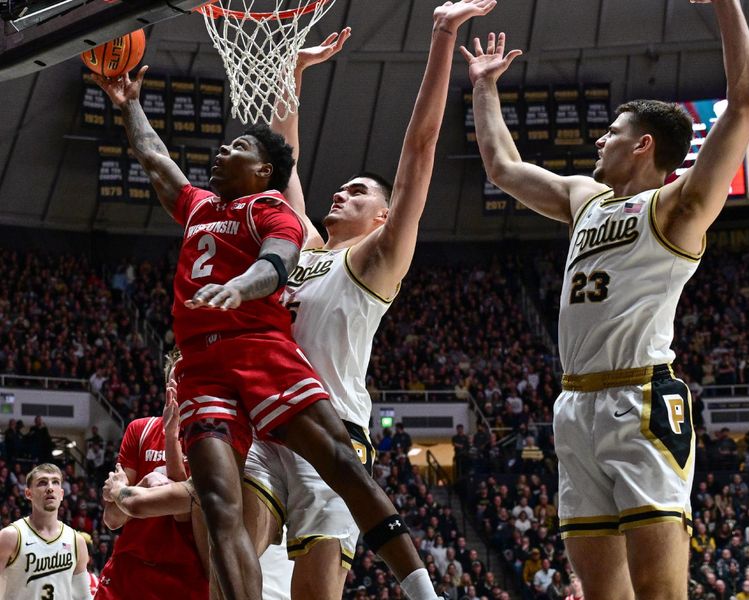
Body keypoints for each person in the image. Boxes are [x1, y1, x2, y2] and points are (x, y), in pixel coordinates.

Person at [93, 16, 472, 594]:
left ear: (382, 217)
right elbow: (277, 162)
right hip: (256, 417)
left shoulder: (373, 260)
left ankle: (424, 590)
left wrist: (443, 37)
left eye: (358, 191)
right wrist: (290, 75)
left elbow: (417, 154)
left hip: (326, 415)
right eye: (338, 187)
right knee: (222, 536)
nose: (339, 192)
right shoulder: (300, 241)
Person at [462, 0, 749, 598]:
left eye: (613, 133)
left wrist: (726, 6)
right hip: (574, 407)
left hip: (641, 400)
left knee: (657, 589)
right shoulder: (584, 198)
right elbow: (501, 166)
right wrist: (484, 89)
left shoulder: (677, 208)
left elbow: (748, 103)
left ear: (643, 145)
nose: (600, 139)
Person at [94, 350, 208, 600]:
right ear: (169, 385)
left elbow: (184, 509)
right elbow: (112, 519)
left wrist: (170, 438)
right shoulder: (140, 430)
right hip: (128, 570)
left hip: (185, 575)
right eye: (178, 379)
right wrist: (136, 490)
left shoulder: (211, 441)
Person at [0, 463, 91, 599]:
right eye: (42, 483)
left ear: (61, 494)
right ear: (28, 493)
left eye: (55, 482)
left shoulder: (76, 541)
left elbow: (83, 597)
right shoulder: (10, 537)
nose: (50, 488)